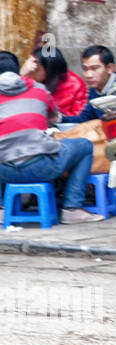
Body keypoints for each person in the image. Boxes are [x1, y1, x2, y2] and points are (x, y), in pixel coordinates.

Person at [0, 52, 103, 223]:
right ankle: (72, 208)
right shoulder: (39, 89)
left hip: (4, 171)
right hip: (43, 167)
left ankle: (2, 209)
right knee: (85, 145)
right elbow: (53, 117)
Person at [20, 43, 88, 120]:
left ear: (49, 70)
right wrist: (22, 74)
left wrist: (54, 112)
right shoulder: (28, 77)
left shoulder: (75, 84)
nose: (32, 71)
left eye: (37, 69)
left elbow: (79, 118)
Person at [62, 45, 116, 124]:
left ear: (110, 68)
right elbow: (85, 118)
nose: (88, 75)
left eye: (95, 68)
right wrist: (58, 118)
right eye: (85, 69)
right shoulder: (94, 90)